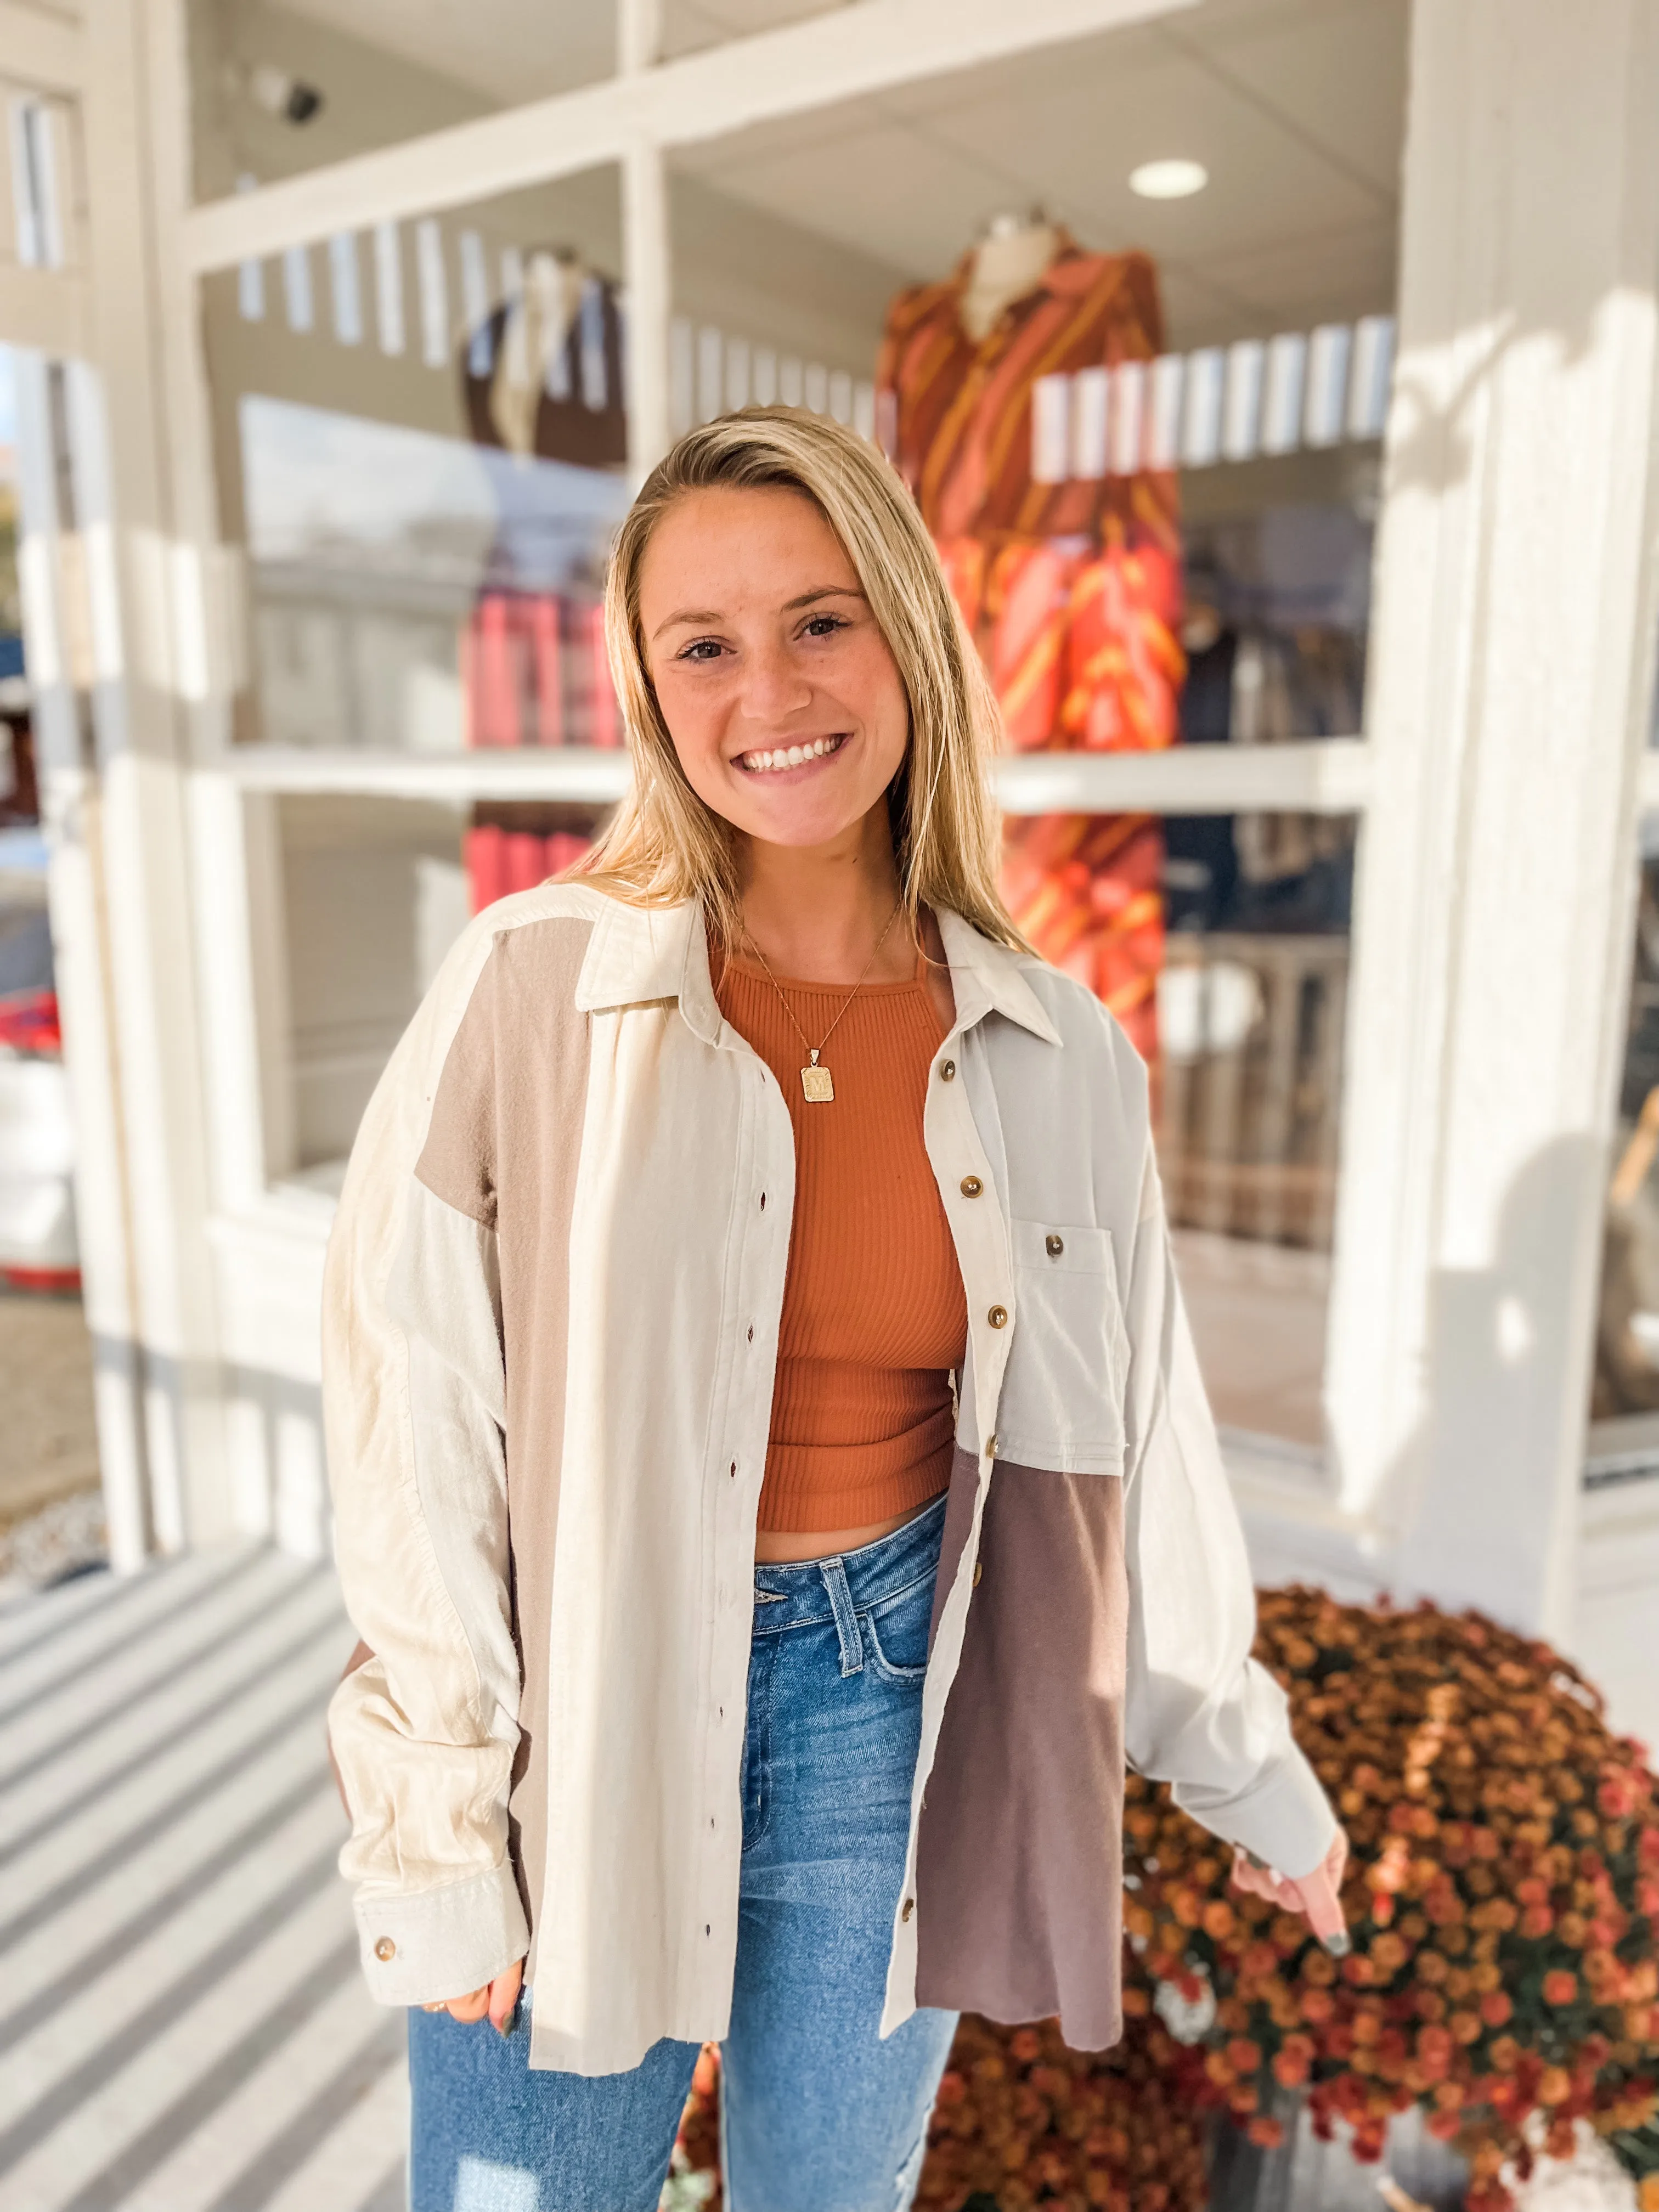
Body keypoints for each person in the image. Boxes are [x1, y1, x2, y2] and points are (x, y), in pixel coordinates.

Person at [321, 406, 1347, 2212]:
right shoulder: (530, 990)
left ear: (908, 634)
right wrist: (437, 1838)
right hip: (590, 1703)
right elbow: (417, 1439)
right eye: (700, 643)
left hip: (895, 1712)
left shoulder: (1059, 1051)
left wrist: (1251, 1776)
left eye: (820, 618)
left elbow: (1134, 1448)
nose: (768, 688)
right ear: (646, 690)